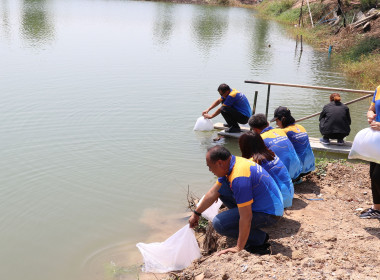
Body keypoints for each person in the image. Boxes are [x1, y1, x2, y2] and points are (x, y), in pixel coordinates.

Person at [189, 146, 283, 255]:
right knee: (222, 190)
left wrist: (239, 247)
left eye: (210, 167)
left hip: (270, 214)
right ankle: (241, 226)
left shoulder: (239, 178)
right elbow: (212, 193)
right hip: (268, 204)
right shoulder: (233, 163)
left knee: (220, 224)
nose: (210, 170)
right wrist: (196, 213)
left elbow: (246, 216)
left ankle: (258, 239)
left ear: (219, 163)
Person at [239, 131, 294, 208]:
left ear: (243, 147)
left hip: (278, 203)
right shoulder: (272, 154)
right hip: (289, 196)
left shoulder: (252, 163)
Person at [249, 113, 302, 181]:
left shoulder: (259, 140)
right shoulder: (280, 131)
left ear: (255, 130)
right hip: (297, 172)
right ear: (268, 124)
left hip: (285, 178)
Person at [270, 106, 315, 181]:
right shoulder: (301, 127)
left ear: (283, 119)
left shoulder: (284, 132)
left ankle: (294, 178)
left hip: (299, 171)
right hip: (309, 167)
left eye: (277, 121)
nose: (276, 124)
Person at [359, 85, 380, 219]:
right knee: (373, 173)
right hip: (377, 139)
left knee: (378, 176)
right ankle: (377, 208)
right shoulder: (379, 88)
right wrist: (370, 115)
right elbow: (371, 109)